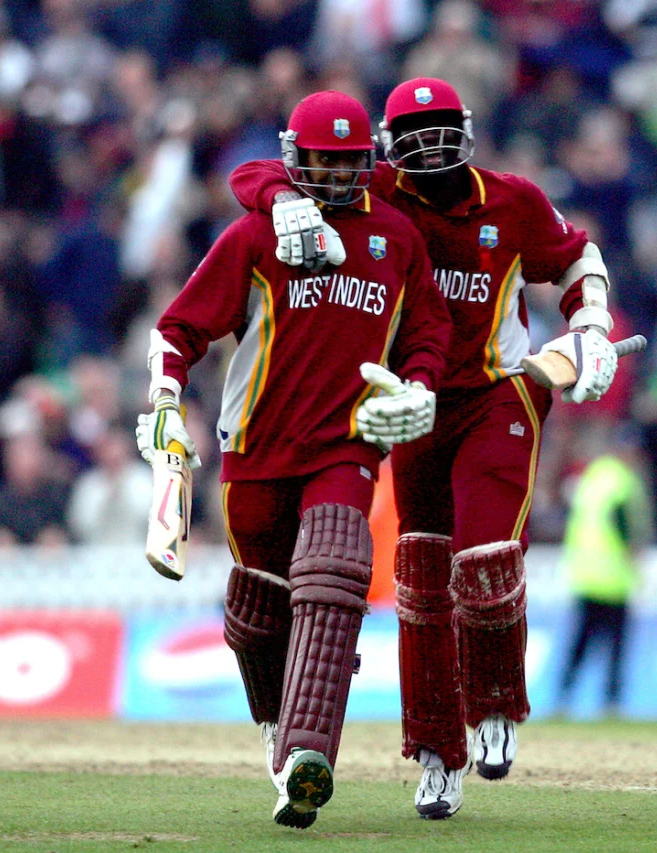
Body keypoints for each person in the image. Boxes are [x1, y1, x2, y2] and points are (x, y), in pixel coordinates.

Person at [230, 77, 625, 819]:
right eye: (420, 132)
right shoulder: (379, 189)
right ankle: (439, 753)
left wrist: (592, 328)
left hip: (498, 392)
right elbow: (254, 174)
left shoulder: (512, 201)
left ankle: (497, 706)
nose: (434, 146)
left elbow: (578, 260)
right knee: (419, 581)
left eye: (447, 128)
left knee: (484, 563)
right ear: (392, 142)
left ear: (466, 130)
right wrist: (285, 202)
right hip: (415, 406)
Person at [136, 90, 451, 829]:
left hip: (348, 440)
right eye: (319, 163)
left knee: (336, 572)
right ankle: (282, 723)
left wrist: (422, 385)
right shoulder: (256, 234)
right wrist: (162, 401)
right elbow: (179, 327)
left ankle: (309, 753)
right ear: (293, 160)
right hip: (254, 446)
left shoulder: (397, 237)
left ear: (367, 162)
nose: (336, 178)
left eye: (348, 164)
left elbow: (429, 332)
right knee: (257, 616)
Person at [557, 431, 653, 716]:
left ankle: (564, 696)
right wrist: (634, 554)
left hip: (585, 576)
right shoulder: (623, 481)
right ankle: (611, 702)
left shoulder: (593, 476)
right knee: (616, 647)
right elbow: (621, 520)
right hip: (613, 578)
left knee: (580, 644)